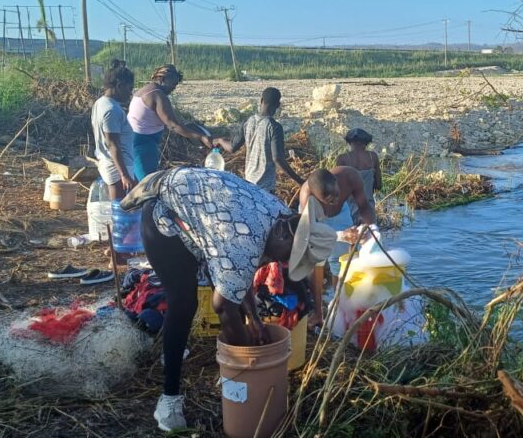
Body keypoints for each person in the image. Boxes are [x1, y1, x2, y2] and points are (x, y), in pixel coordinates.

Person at [122, 167, 334, 431]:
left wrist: (255, 321)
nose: (283, 262)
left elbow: (237, 273)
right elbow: (223, 305)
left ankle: (188, 355)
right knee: (184, 302)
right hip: (164, 216)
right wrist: (246, 363)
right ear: (282, 233)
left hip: (204, 216)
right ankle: (169, 400)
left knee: (229, 287)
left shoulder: (280, 217)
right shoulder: (243, 242)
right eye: (290, 254)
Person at [296, 167, 377, 327]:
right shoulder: (306, 195)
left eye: (336, 196)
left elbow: (364, 206)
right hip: (315, 222)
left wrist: (371, 229)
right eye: (327, 200)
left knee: (343, 262)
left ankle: (340, 309)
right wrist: (341, 235)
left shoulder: (351, 176)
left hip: (340, 215)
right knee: (316, 263)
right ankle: (318, 314)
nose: (333, 201)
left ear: (336, 181)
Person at [128, 64, 214, 180]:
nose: (174, 86)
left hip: (133, 140)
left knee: (136, 180)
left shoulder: (145, 90)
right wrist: (201, 137)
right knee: (146, 183)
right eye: (173, 82)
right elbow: (173, 125)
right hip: (144, 144)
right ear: (163, 79)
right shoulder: (157, 95)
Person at [217, 87, 304, 192]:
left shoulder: (248, 122)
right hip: (265, 189)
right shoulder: (274, 127)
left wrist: (220, 140)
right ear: (277, 105)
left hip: (248, 184)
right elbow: (277, 158)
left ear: (261, 100)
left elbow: (232, 147)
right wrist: (300, 181)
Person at [91, 59, 136, 200]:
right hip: (116, 167)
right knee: (121, 211)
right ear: (120, 85)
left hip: (112, 163)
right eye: (129, 89)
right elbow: (112, 144)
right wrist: (124, 175)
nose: (130, 93)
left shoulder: (100, 103)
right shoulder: (111, 110)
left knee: (122, 210)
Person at [334, 128, 382, 224]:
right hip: (368, 209)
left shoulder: (342, 159)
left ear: (350, 143)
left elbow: (338, 188)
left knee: (351, 235)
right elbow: (379, 185)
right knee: (369, 235)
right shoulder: (373, 157)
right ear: (366, 143)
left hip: (350, 208)